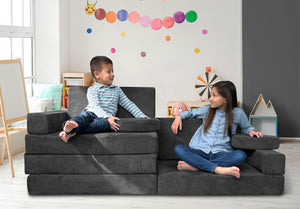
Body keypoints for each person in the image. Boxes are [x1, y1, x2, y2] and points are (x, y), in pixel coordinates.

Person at [171, 81, 263, 178]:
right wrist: (179, 117)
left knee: (241, 155)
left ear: (226, 99)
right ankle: (218, 169)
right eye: (211, 95)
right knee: (178, 149)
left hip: (222, 153)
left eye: (214, 96)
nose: (210, 99)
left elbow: (247, 127)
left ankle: (197, 166)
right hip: (200, 151)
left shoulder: (238, 113)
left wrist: (252, 131)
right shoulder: (206, 109)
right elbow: (190, 113)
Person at [59, 56, 148, 142]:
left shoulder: (117, 90)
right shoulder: (92, 89)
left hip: (104, 120)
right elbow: (95, 106)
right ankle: (69, 126)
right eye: (109, 72)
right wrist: (108, 116)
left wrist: (142, 117)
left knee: (104, 124)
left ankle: (73, 131)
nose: (112, 74)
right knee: (83, 117)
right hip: (91, 113)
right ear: (97, 74)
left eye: (112, 71)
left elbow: (128, 104)